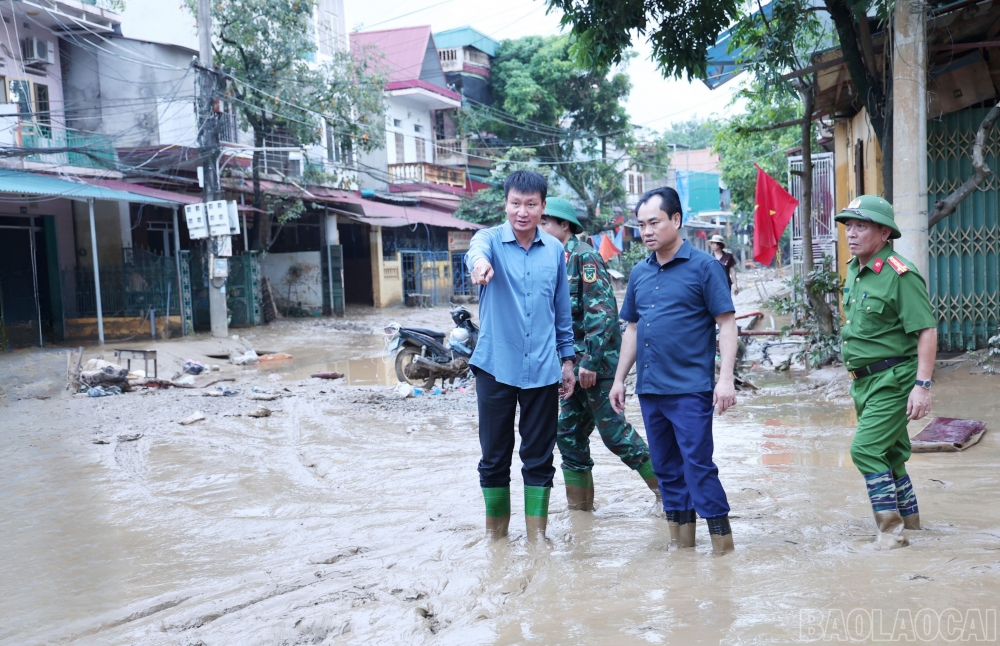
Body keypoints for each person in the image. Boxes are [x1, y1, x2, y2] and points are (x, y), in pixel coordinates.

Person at [610, 186, 739, 556]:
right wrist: (620, 379)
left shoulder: (705, 267)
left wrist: (725, 378)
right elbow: (632, 329)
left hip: (690, 389)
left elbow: (726, 324)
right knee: (666, 470)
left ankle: (723, 553)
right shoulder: (639, 272)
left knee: (698, 467)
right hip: (651, 390)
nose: (647, 231)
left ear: (676, 220)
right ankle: (682, 551)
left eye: (654, 222)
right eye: (641, 225)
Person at [465, 170, 577, 542]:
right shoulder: (490, 241)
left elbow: (561, 311)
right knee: (494, 457)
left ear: (543, 208)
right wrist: (480, 266)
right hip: (496, 366)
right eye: (516, 203)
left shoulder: (556, 251)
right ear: (506, 204)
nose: (522, 212)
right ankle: (496, 540)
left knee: (539, 457)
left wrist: (568, 361)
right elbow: (475, 252)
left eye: (531, 205)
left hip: (544, 368)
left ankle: (537, 539)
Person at [537, 197, 660, 511]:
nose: (539, 228)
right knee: (567, 435)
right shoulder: (551, 260)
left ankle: (668, 494)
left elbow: (603, 313)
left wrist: (589, 362)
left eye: (544, 222)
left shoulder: (585, 257)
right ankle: (580, 513)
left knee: (615, 434)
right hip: (569, 367)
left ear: (563, 225)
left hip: (597, 365)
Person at [834, 195, 937, 550]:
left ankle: (891, 535)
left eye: (861, 226)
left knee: (864, 450)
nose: (852, 233)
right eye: (849, 226)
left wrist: (921, 386)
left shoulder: (899, 274)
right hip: (864, 383)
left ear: (883, 232)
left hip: (894, 380)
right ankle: (913, 525)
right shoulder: (854, 269)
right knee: (891, 454)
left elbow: (926, 330)